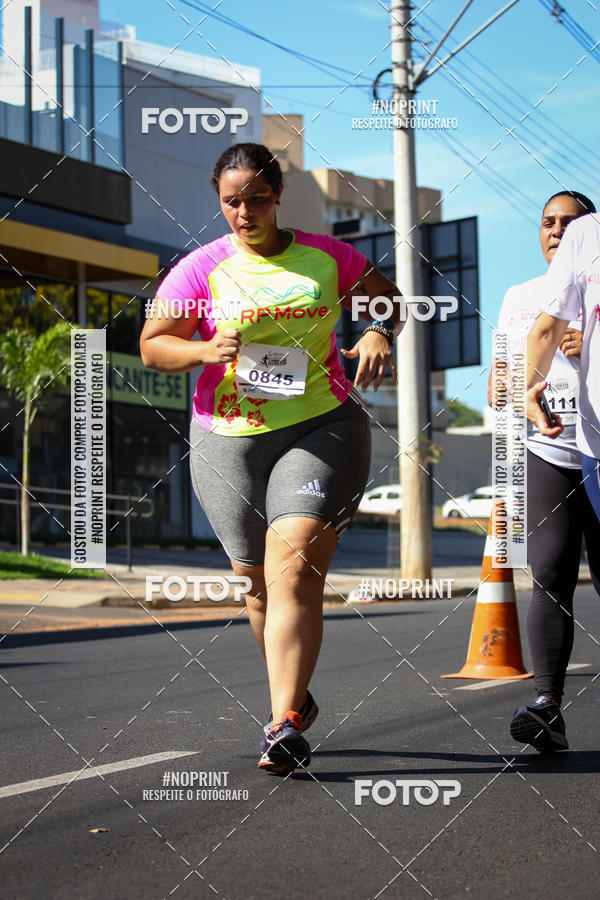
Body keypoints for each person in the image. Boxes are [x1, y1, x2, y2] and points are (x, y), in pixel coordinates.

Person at [140, 143, 402, 775]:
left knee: (296, 565)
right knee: (255, 584)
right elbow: (153, 347)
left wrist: (374, 330)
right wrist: (203, 351)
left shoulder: (327, 256)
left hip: (321, 424)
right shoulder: (200, 270)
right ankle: (295, 697)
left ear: (277, 196)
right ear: (219, 200)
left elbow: (386, 297)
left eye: (257, 198)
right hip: (227, 436)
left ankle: (282, 723)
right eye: (232, 201)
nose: (245, 211)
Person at [488, 191, 600, 754]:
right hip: (549, 451)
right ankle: (547, 706)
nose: (557, 231)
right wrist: (520, 394)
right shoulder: (522, 296)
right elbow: (498, 385)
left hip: (598, 448)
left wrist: (590, 348)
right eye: (548, 222)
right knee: (550, 571)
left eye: (571, 222)